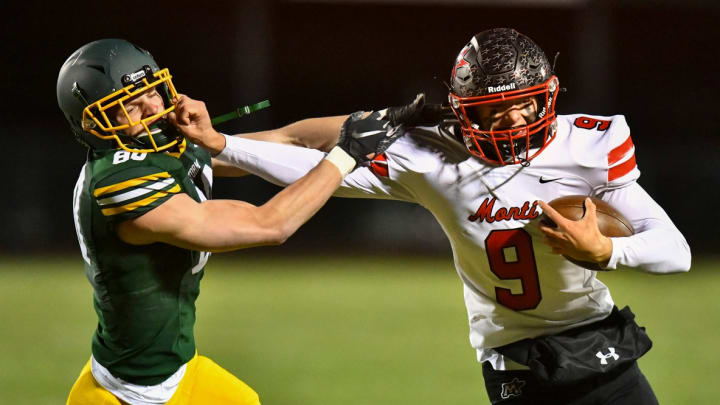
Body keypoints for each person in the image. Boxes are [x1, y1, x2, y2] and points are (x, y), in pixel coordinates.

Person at [183, 28, 691, 404]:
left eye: (525, 105)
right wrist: (223, 144)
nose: (513, 120)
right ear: (463, 111)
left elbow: (675, 252)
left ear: (549, 97)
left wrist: (606, 250)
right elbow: (312, 165)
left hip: (598, 342)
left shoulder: (585, 146)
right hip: (516, 358)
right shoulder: (433, 157)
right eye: (494, 110)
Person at [56, 39, 396, 405]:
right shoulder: (117, 182)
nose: (154, 108)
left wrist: (384, 121)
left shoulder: (156, 150)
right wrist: (347, 156)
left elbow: (289, 141)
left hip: (173, 373)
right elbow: (270, 224)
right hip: (127, 393)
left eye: (153, 91)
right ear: (96, 123)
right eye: (131, 106)